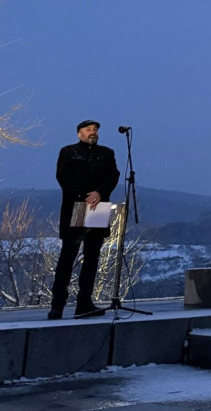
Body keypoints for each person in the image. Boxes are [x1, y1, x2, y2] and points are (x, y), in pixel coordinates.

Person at [49, 120, 120, 320]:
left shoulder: (107, 153)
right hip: (77, 206)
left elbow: (113, 175)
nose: (93, 132)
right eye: (88, 130)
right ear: (79, 133)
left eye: (95, 130)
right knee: (68, 256)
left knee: (92, 257)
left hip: (98, 206)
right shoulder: (68, 152)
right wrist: (83, 195)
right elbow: (63, 177)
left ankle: (84, 303)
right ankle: (57, 305)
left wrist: (99, 192)